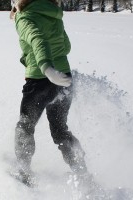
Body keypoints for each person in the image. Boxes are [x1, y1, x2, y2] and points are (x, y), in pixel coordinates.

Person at [10, 0, 90, 186]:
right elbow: (66, 46)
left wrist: (46, 67)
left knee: (25, 127)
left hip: (41, 80)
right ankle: (83, 173)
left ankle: (23, 174)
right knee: (60, 130)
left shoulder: (24, 17)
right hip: (64, 80)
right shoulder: (54, 14)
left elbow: (37, 38)